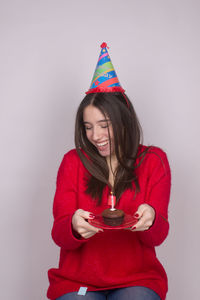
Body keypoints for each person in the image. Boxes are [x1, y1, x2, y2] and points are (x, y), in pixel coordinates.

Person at [47, 43, 171, 300]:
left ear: (123, 120)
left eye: (104, 125)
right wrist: (73, 226)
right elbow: (60, 235)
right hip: (78, 281)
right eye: (88, 127)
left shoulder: (154, 161)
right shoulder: (73, 162)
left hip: (138, 279)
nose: (95, 136)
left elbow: (157, 237)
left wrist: (152, 217)